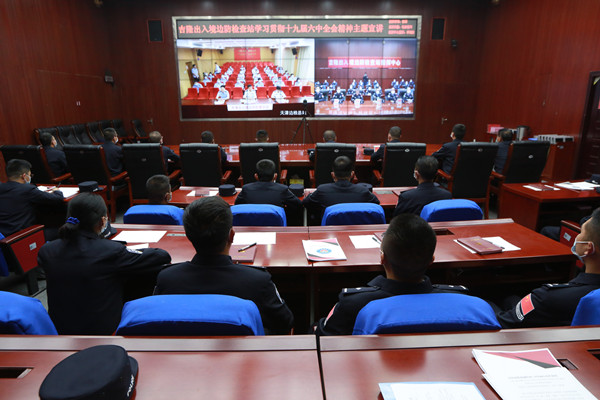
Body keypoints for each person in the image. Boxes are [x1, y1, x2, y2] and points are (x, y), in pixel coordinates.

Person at [154, 196, 294, 334]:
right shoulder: (258, 281)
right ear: (231, 235)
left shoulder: (167, 279)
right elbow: (285, 323)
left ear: (188, 236)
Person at [39, 193, 171, 335]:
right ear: (103, 221)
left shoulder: (46, 251)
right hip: (102, 332)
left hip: (58, 329)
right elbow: (161, 256)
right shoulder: (111, 251)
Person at [315, 213, 468, 335]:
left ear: (382, 258)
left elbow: (322, 337)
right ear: (431, 260)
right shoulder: (461, 301)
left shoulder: (352, 305)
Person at [496, 207, 600, 328]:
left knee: (498, 297)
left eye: (581, 232)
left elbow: (503, 322)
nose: (577, 236)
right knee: (511, 298)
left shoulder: (548, 297)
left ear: (588, 248)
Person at [0, 159, 64, 237]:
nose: (30, 177)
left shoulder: (2, 187)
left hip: (5, 236)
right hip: (24, 236)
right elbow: (57, 198)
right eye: (30, 175)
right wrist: (57, 191)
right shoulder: (27, 189)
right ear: (24, 176)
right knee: (62, 230)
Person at [302, 155, 380, 219]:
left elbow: (306, 203)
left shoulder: (322, 190)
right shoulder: (363, 191)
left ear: (333, 175)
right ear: (352, 174)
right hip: (356, 230)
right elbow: (376, 203)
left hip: (329, 231)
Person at [235, 159, 301, 215]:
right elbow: (298, 205)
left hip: (251, 225)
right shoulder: (282, 189)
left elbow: (237, 206)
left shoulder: (246, 189)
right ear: (275, 176)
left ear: (256, 176)